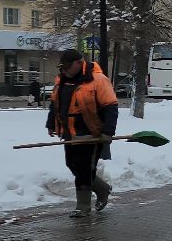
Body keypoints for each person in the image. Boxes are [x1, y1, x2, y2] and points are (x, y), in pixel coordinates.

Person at [46, 49, 119, 217]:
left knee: (84, 168)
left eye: (67, 67)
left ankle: (83, 206)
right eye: (62, 68)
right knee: (72, 164)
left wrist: (108, 132)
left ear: (79, 64)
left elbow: (110, 106)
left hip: (91, 133)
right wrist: (51, 124)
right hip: (69, 133)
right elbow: (55, 104)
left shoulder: (98, 80)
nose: (64, 71)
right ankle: (102, 189)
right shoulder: (62, 80)